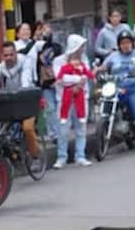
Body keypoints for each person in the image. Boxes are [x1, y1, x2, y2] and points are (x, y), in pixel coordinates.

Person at [0, 42, 40, 160]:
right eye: (6, 55)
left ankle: (35, 154)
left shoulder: (25, 62)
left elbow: (26, 81)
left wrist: (21, 92)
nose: (9, 58)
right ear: (2, 56)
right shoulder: (0, 68)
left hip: (27, 101)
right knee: (2, 131)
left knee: (27, 128)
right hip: (12, 103)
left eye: (11, 55)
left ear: (15, 53)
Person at [97, 30, 135, 151]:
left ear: (132, 43)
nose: (125, 45)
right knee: (105, 104)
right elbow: (104, 66)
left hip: (134, 89)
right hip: (116, 88)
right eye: (123, 43)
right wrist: (96, 70)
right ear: (119, 45)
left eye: (128, 42)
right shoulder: (114, 56)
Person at [51, 34, 92, 168]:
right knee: (63, 129)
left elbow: (86, 76)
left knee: (81, 128)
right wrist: (76, 80)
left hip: (81, 97)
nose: (82, 49)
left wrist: (77, 84)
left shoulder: (84, 59)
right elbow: (60, 78)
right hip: (64, 99)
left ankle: (80, 156)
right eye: (80, 46)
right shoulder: (58, 61)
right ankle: (61, 157)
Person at [35, 25, 64, 141]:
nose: (46, 33)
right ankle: (54, 134)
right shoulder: (36, 48)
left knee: (59, 107)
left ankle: (60, 132)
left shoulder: (57, 47)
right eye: (43, 30)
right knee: (50, 108)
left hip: (58, 81)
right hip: (45, 83)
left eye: (48, 30)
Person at [56, 54, 95, 127]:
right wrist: (59, 79)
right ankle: (63, 116)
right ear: (69, 61)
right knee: (65, 103)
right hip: (68, 88)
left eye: (77, 60)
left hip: (79, 88)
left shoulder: (82, 67)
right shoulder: (66, 67)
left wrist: (92, 77)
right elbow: (61, 74)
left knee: (80, 103)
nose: (76, 62)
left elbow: (88, 73)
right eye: (73, 60)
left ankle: (81, 116)